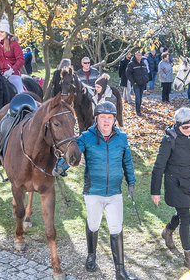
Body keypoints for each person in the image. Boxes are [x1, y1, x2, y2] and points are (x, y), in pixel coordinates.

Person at [55, 101, 136, 280]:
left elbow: (127, 161)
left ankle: (120, 271)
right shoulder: (86, 137)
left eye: (110, 118)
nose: (106, 121)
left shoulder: (122, 138)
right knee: (94, 225)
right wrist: (62, 166)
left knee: (116, 228)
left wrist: (131, 181)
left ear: (114, 119)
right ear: (96, 119)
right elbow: (74, 152)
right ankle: (91, 255)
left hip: (115, 192)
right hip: (93, 192)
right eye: (103, 118)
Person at [150, 107, 190, 270]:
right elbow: (159, 166)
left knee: (183, 211)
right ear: (178, 125)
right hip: (174, 182)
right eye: (185, 127)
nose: (189, 130)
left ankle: (167, 231)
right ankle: (189, 256)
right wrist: (155, 190)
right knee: (185, 216)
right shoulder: (169, 140)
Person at [0, 19, 25, 93]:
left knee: (20, 92)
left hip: (12, 74)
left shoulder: (14, 43)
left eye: (2, 32)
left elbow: (21, 59)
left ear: (6, 32)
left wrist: (11, 70)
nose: (0, 34)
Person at [126, 51, 149, 116]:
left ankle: (139, 109)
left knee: (140, 97)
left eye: (140, 55)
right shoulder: (131, 64)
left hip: (142, 83)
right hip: (136, 84)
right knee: (137, 97)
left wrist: (146, 79)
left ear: (141, 56)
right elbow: (128, 73)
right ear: (135, 56)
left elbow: (146, 72)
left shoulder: (143, 63)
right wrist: (133, 81)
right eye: (137, 55)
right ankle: (137, 111)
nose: (139, 56)